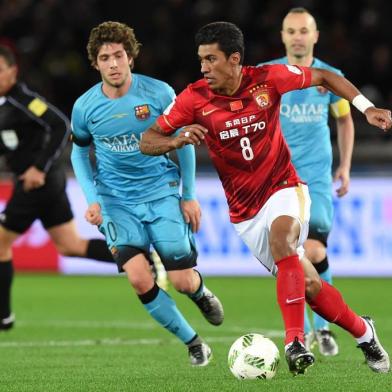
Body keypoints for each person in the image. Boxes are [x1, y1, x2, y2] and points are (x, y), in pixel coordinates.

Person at [140, 21, 391, 375]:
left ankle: (294, 341)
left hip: (285, 186)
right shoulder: (194, 98)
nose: (204, 68)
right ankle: (365, 333)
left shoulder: (268, 79)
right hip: (245, 212)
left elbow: (324, 77)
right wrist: (175, 141)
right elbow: (147, 140)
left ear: (234, 58)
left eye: (211, 60)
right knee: (309, 284)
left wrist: (366, 108)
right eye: (201, 61)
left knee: (283, 240)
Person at [70, 21, 224, 367]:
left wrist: (189, 194)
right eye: (104, 57)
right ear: (95, 63)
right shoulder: (84, 107)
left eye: (118, 55)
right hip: (115, 201)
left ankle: (199, 293)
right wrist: (92, 198)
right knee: (140, 278)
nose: (112, 63)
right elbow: (78, 152)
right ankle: (193, 341)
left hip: (161, 192)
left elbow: (184, 142)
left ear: (131, 58)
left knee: (183, 281)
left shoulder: (159, 94)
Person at [0, 45, 119, 332]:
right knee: (70, 246)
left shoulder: (24, 101)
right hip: (42, 184)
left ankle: (3, 317)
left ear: (13, 72)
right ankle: (137, 257)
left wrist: (38, 168)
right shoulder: (5, 105)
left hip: (38, 183)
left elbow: (61, 125)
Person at [258, 7, 355, 356]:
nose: (298, 36)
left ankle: (324, 330)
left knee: (313, 251)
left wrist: (344, 166)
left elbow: (344, 121)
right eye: (291, 30)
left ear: (315, 36)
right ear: (283, 36)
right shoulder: (268, 75)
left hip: (314, 180)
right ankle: (310, 328)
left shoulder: (329, 77)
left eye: (304, 30)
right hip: (277, 181)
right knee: (293, 257)